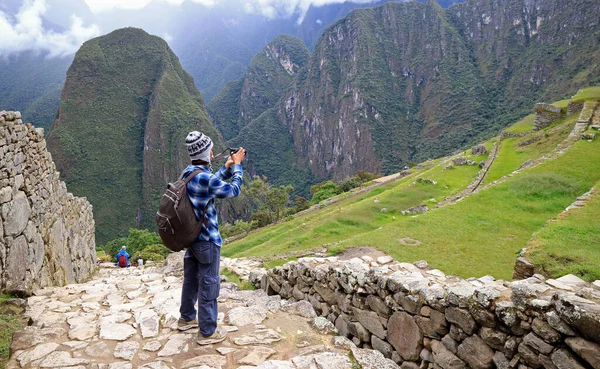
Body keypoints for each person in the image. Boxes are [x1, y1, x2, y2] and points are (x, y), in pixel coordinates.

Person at [177, 131, 245, 345]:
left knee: (191, 281)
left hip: (192, 238)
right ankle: (207, 331)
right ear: (206, 153)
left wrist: (225, 168)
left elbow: (209, 185)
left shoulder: (188, 173)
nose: (213, 152)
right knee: (209, 282)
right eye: (211, 149)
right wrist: (237, 167)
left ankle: (186, 317)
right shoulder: (203, 177)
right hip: (207, 240)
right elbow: (232, 191)